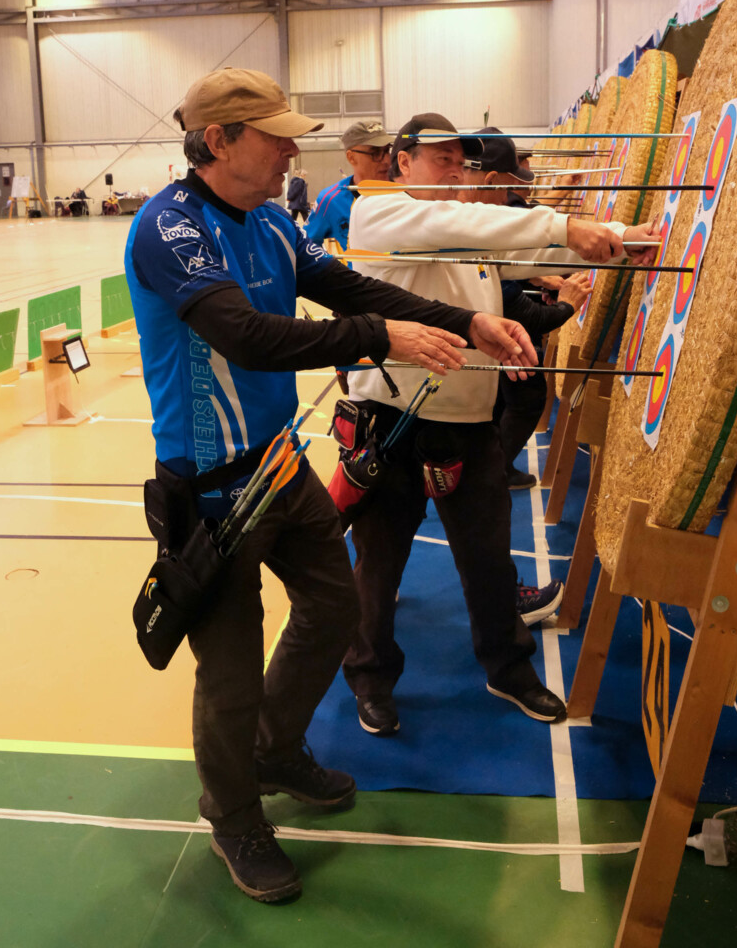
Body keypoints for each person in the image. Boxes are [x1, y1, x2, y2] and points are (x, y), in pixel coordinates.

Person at [124, 70, 539, 904]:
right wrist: (381, 336)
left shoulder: (271, 219)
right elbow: (249, 336)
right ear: (219, 141)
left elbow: (351, 288)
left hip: (277, 465)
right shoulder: (169, 228)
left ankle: (274, 752)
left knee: (335, 609)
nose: (291, 150)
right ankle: (232, 813)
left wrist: (465, 321)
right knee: (231, 670)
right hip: (210, 487)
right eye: (274, 136)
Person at [341, 112, 660, 738]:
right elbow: (468, 225)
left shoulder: (465, 224)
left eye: (460, 161)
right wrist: (568, 225)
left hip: (466, 423)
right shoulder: (379, 213)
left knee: (488, 558)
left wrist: (620, 238)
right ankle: (370, 677)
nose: (454, 170)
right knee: (379, 562)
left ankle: (508, 668)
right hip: (392, 421)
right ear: (403, 161)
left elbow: (524, 248)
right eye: (440, 158)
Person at [462, 129, 593, 488]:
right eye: (507, 187)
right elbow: (527, 313)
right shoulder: (481, 226)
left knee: (504, 400)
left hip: (484, 355)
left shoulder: (484, 222)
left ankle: (490, 469)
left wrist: (538, 275)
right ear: (491, 180)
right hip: (476, 360)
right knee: (525, 396)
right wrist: (567, 304)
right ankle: (493, 473)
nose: (509, 198)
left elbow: (530, 243)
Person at [305, 120, 393, 251]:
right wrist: (329, 263)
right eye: (375, 153)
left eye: (387, 151)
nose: (387, 160)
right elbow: (306, 244)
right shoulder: (331, 200)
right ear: (351, 157)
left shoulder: (406, 191)